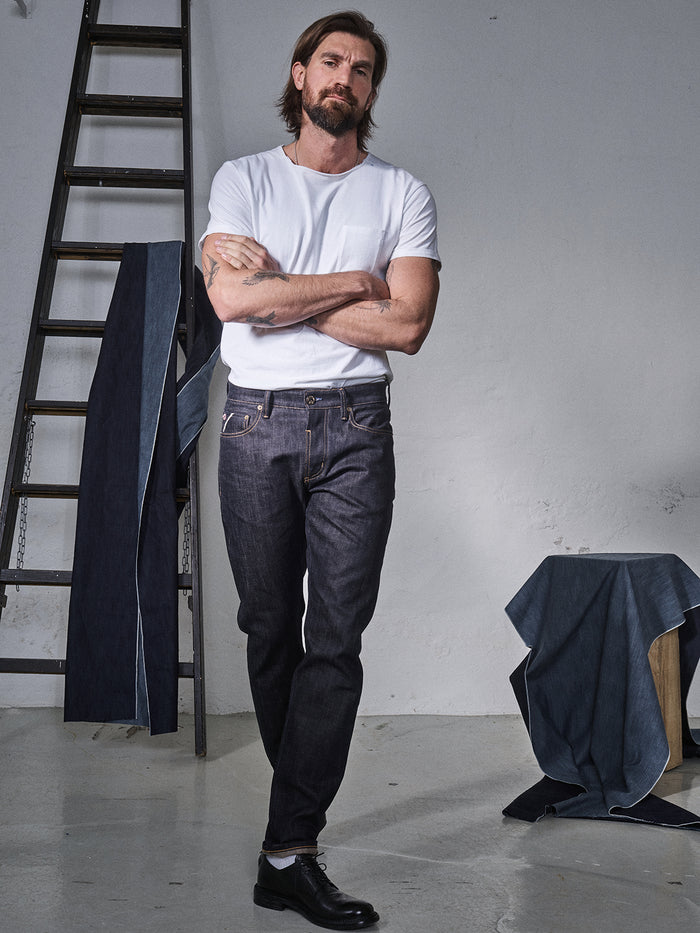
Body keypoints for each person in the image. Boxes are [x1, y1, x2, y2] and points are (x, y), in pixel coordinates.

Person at [200, 11, 440, 930]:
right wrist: (353, 281)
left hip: (355, 428)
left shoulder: (402, 192)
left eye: (363, 68)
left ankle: (288, 847)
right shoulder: (243, 179)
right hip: (254, 423)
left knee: (335, 640)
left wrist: (283, 294)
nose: (346, 77)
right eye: (330, 61)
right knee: (269, 629)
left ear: (371, 90)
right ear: (300, 75)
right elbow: (230, 299)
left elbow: (407, 326)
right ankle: (290, 833)